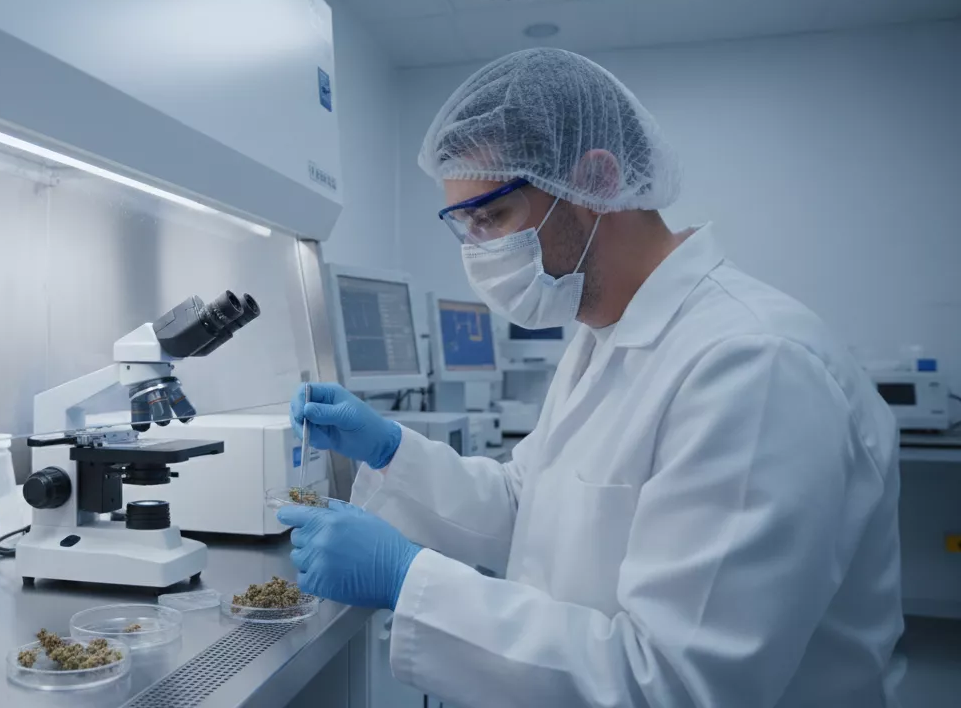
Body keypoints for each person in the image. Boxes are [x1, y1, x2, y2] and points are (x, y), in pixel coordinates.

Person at [278, 48, 903, 707]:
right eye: (463, 227)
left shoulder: (754, 365)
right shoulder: (601, 333)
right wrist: (390, 450)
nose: (477, 254)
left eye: (491, 216)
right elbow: (530, 505)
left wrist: (409, 583)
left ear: (598, 182)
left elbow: (675, 686)